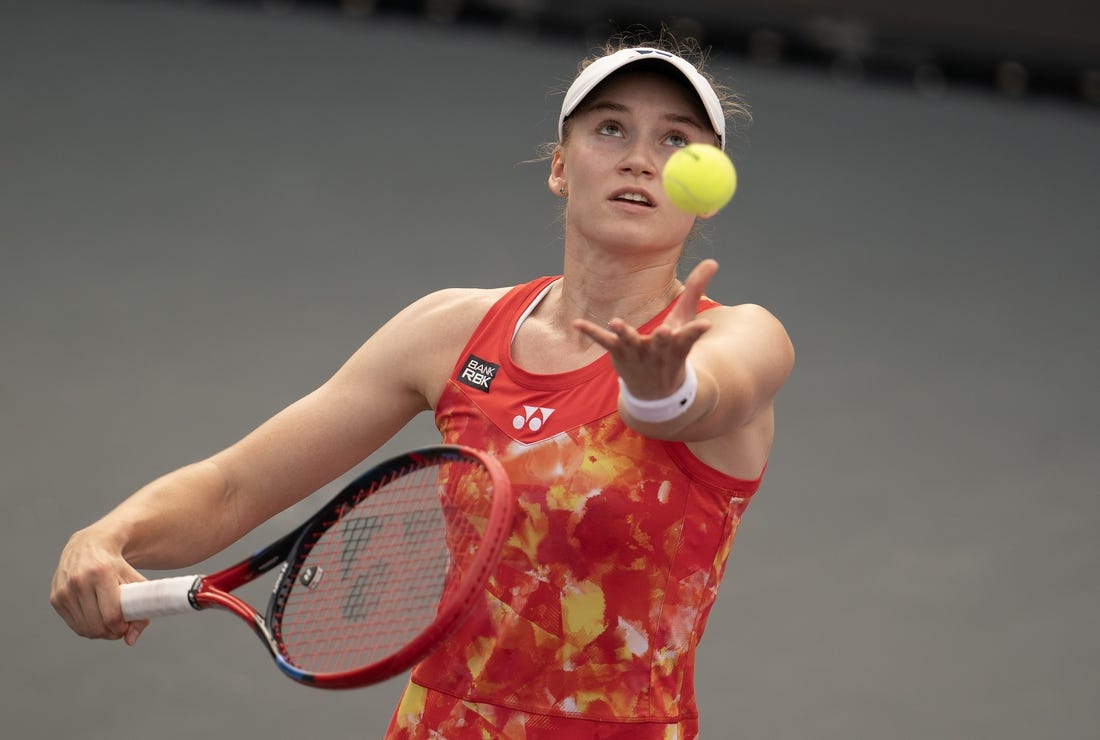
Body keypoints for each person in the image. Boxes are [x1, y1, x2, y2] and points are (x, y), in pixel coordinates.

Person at [50, 30, 794, 739]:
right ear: (561, 166)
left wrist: (661, 391)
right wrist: (109, 535)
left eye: (675, 140)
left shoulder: (739, 336)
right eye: (609, 129)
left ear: (707, 188)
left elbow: (706, 398)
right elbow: (232, 489)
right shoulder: (449, 331)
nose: (640, 158)